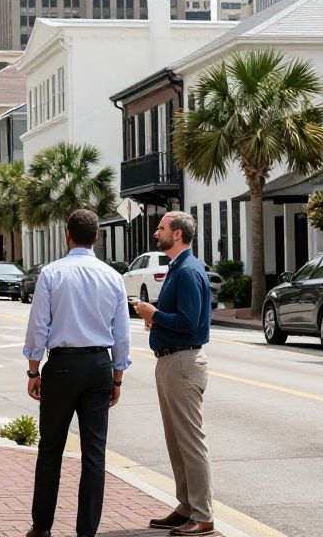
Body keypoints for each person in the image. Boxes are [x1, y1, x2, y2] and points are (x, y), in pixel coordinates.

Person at [23, 209, 131, 537]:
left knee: (51, 447)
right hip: (99, 364)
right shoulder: (113, 276)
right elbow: (122, 333)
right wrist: (117, 377)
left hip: (63, 365)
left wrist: (33, 370)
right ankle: (87, 530)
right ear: (96, 237)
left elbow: (38, 325)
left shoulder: (52, 273)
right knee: (94, 452)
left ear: (67, 235)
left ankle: (42, 526)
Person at [135, 211, 214, 537]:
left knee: (190, 443)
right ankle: (186, 507)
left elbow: (190, 322)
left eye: (162, 228)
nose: (156, 233)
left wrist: (155, 314)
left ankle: (203, 515)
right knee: (176, 442)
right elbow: (179, 318)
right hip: (171, 362)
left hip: (183, 363)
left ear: (178, 233)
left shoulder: (188, 271)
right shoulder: (177, 268)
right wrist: (157, 318)